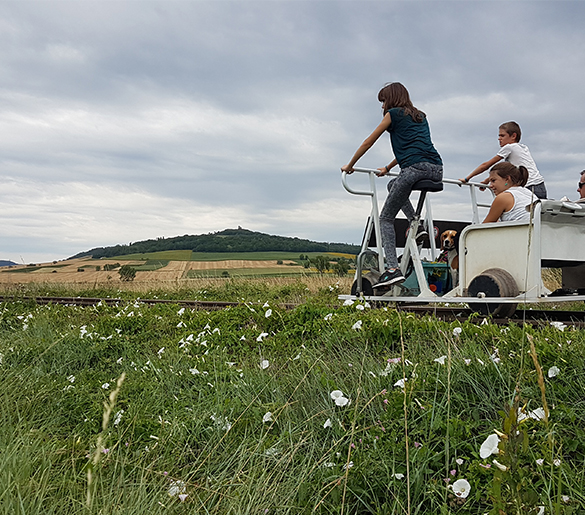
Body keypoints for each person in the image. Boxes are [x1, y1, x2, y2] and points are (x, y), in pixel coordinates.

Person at [341, 82, 443, 287]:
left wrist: (350, 165)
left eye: (383, 101)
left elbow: (369, 141)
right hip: (437, 168)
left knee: (385, 219)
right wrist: (388, 167)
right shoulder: (420, 116)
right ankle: (417, 223)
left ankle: (393, 269)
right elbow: (416, 146)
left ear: (392, 99)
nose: (382, 106)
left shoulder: (394, 114)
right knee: (393, 185)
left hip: (413, 170)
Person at [460, 121, 547, 199]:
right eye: (499, 136)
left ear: (513, 136)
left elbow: (486, 165)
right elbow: (506, 170)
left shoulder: (509, 147)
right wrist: (487, 180)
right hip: (540, 187)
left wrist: (467, 178)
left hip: (529, 187)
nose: (499, 138)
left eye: (502, 135)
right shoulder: (523, 148)